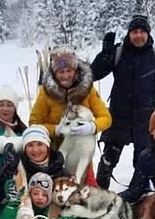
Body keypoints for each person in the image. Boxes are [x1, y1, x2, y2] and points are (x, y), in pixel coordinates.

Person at [91, 13, 155, 189]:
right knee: (107, 161)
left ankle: (141, 196)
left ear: (148, 34)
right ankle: (98, 194)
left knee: (143, 163)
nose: (138, 35)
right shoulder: (119, 53)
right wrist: (105, 54)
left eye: (142, 31)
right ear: (129, 34)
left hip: (145, 119)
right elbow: (93, 74)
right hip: (119, 117)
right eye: (135, 31)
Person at [29, 46, 112, 184]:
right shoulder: (46, 94)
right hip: (55, 157)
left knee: (90, 195)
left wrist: (92, 127)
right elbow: (33, 123)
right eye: (61, 71)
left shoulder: (87, 90)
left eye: (69, 71)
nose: (65, 75)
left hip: (81, 157)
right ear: (54, 73)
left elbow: (106, 118)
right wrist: (56, 129)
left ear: (76, 71)